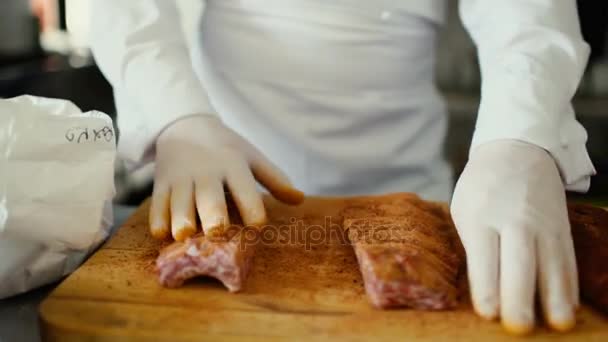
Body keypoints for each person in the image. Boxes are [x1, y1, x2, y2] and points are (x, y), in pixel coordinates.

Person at [90, 0, 595, 335]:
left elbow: (526, 17)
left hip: (415, 196)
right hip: (231, 188)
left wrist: (519, 133)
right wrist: (177, 116)